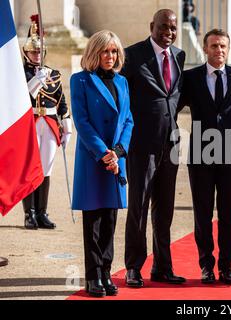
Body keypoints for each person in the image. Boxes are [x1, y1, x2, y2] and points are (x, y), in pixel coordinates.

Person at [122, 9, 186, 287]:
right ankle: (133, 267)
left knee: (165, 209)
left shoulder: (180, 56)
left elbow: (174, 97)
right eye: (163, 27)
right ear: (152, 26)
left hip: (170, 144)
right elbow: (121, 97)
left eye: (172, 28)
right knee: (139, 206)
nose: (168, 33)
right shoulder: (132, 55)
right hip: (141, 145)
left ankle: (162, 266)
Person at [178, 29, 231, 285]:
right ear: (205, 49)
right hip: (201, 154)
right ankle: (206, 266)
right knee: (203, 213)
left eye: (223, 46)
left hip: (230, 153)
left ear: (229, 49)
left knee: (228, 214)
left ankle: (226, 266)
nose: (219, 50)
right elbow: (171, 106)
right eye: (215, 46)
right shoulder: (191, 78)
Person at [70, 30, 134, 297]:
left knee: (110, 220)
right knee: (93, 221)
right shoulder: (80, 80)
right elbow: (81, 122)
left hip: (115, 161)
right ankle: (93, 276)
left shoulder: (122, 82)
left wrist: (118, 152)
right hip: (93, 160)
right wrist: (104, 153)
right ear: (94, 52)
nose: (110, 56)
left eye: (114, 51)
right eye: (106, 51)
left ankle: (107, 272)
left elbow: (129, 119)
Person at [21, 14, 72, 230]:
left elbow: (61, 103)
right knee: (29, 168)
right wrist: (35, 80)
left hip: (49, 123)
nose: (37, 55)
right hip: (30, 123)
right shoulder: (21, 74)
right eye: (33, 51)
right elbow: (22, 97)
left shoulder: (55, 74)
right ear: (26, 52)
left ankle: (42, 212)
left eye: (39, 51)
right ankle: (29, 213)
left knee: (46, 169)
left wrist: (67, 125)